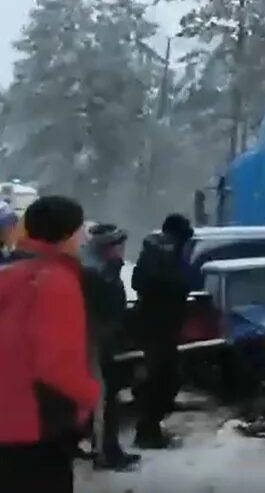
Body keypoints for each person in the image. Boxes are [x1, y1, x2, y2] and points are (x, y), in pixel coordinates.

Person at [0, 196, 99, 493]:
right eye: (79, 230)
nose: (83, 237)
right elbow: (56, 365)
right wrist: (89, 397)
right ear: (66, 235)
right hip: (37, 427)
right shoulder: (56, 281)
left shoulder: (13, 275)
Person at [131, 214, 194, 449]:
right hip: (154, 326)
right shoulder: (155, 254)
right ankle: (147, 430)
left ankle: (151, 427)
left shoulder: (172, 254)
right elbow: (141, 282)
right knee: (158, 380)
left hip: (166, 326)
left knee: (167, 379)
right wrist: (171, 285)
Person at [81, 224, 141, 471]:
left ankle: (109, 447)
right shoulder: (95, 272)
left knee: (109, 399)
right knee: (102, 401)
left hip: (106, 341)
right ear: (107, 247)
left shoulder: (106, 269)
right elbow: (97, 311)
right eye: (118, 245)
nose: (122, 249)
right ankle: (105, 453)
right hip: (96, 343)